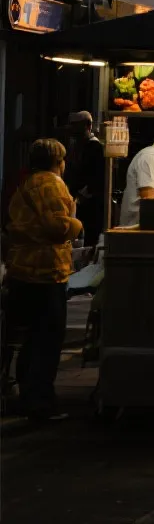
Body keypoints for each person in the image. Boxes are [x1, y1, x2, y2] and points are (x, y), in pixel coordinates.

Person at [3, 139, 83, 420]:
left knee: (29, 339)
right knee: (46, 340)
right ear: (58, 162)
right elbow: (58, 227)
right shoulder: (50, 184)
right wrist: (76, 223)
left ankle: (28, 396)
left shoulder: (27, 182)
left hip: (22, 269)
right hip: (45, 271)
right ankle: (39, 403)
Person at [64, 112, 106, 246]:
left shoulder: (95, 147)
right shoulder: (78, 146)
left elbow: (97, 176)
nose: (73, 130)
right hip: (80, 201)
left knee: (89, 238)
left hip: (90, 203)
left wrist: (82, 195)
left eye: (76, 126)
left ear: (87, 126)